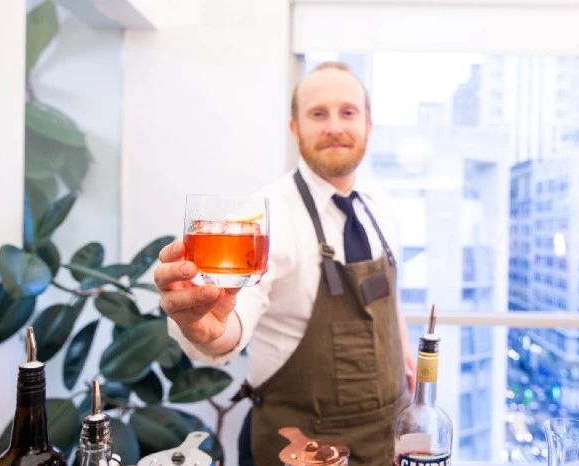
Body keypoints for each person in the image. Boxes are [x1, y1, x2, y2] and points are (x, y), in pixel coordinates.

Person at [153, 61, 416, 466]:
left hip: (385, 444)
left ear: (368, 125)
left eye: (348, 112)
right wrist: (203, 328)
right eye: (317, 113)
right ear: (295, 128)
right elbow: (230, 319)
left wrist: (404, 358)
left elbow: (386, 299)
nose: (333, 126)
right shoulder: (261, 217)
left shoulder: (381, 206)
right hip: (300, 448)